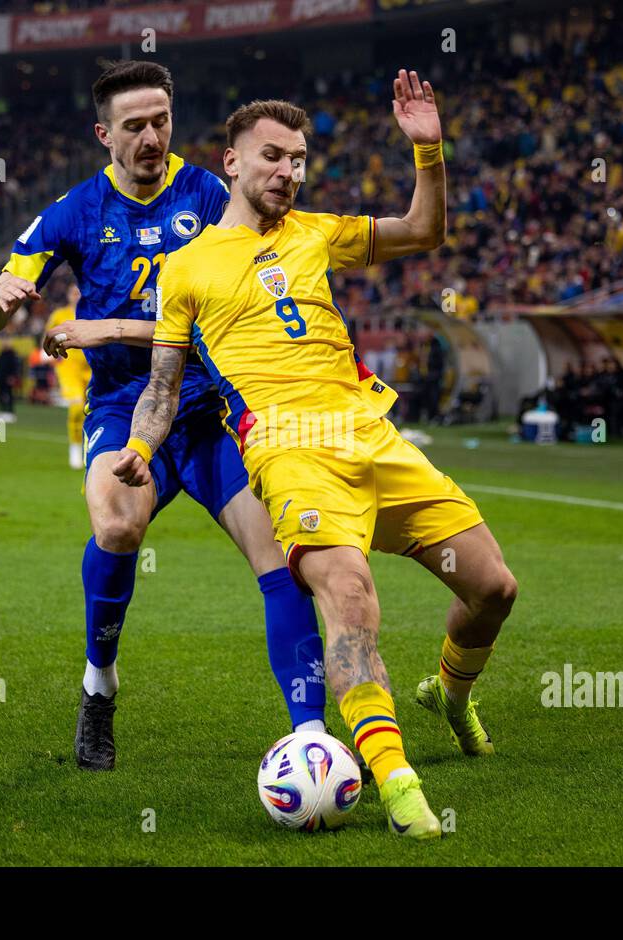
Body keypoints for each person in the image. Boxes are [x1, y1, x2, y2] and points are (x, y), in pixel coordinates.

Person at [114, 73, 518, 840]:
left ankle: (451, 694)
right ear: (230, 162)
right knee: (349, 592)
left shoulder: (318, 231)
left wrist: (428, 149)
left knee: (494, 588)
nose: (289, 172)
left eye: (298, 159)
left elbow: (423, 231)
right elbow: (164, 388)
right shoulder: (187, 268)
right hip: (289, 452)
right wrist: (139, 447)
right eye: (273, 156)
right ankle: (398, 785)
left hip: (371, 435)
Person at [0, 60, 328, 773]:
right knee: (117, 523)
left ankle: (311, 738)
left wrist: (99, 329)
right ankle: (98, 683)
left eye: (161, 120)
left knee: (282, 555)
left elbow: (215, 315)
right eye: (134, 125)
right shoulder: (73, 212)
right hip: (124, 407)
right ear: (105, 134)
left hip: (210, 408)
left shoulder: (211, 195)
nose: (152, 136)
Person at [48, 285, 91, 470]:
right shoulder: (60, 314)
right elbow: (48, 335)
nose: (76, 295)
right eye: (73, 292)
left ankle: (90, 447)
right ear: (68, 295)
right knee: (75, 407)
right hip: (69, 368)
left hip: (92, 367)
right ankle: (75, 445)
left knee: (92, 409)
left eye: (79, 291)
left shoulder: (91, 311)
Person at [0, 341, 20, 423]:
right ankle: (2, 410)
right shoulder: (0, 355)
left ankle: (10, 412)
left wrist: (13, 377)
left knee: (9, 395)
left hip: (8, 378)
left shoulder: (12, 355)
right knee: (0, 395)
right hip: (1, 378)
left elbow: (15, 368)